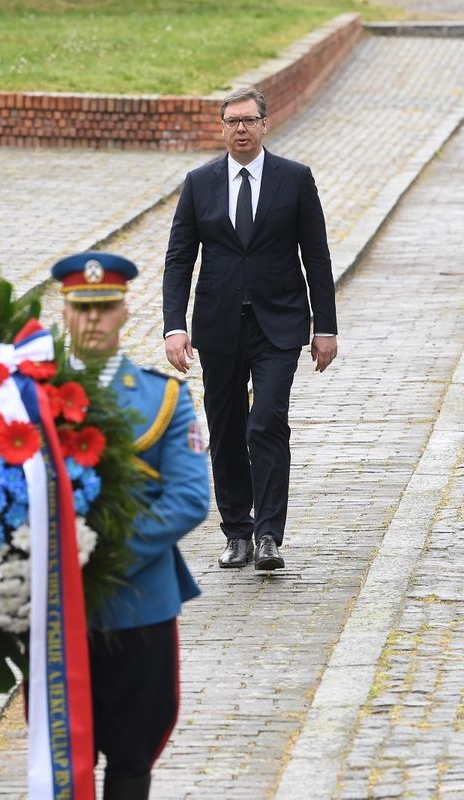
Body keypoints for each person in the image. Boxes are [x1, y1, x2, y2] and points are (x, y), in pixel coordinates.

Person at [52, 251, 210, 800]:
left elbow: (189, 498)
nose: (93, 319)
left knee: (131, 759)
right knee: (60, 764)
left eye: (105, 307)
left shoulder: (164, 397)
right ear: (65, 313)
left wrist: (102, 551)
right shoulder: (29, 399)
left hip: (138, 604)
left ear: (123, 313)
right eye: (82, 308)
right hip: (53, 614)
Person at [162, 86, 338, 572]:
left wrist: (325, 326)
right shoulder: (199, 183)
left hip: (278, 325)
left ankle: (268, 537)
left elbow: (316, 256)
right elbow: (179, 259)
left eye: (248, 120)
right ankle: (237, 531)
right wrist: (174, 327)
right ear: (222, 129)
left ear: (264, 125)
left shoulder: (294, 179)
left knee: (266, 422)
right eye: (232, 122)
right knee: (225, 428)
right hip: (218, 327)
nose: (240, 129)